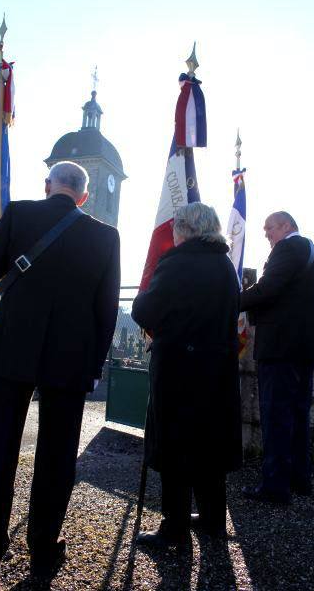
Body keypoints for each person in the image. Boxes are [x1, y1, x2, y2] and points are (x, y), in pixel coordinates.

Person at [0, 161, 120, 585]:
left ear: (48, 186)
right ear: (84, 196)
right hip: (69, 358)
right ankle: (42, 551)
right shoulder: (106, 236)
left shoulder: (18, 212)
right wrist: (92, 366)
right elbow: (107, 310)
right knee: (56, 458)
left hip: (13, 347)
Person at [132, 202, 242, 549]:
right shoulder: (224, 265)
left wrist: (140, 301)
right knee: (210, 444)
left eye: (176, 228)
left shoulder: (177, 262)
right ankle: (212, 519)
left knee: (175, 446)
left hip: (180, 370)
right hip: (218, 370)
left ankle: (174, 528)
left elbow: (147, 311)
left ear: (184, 229)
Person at [241, 211, 314, 505]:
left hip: (281, 348)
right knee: (298, 414)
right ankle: (300, 479)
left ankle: (275, 487)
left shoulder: (287, 248)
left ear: (287, 226)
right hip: (306, 347)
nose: (266, 233)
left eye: (270, 227)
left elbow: (267, 289)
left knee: (276, 416)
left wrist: (231, 299)